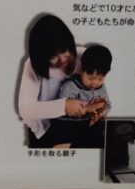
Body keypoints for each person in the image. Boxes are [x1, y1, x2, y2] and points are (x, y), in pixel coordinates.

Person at [17, 15, 87, 147]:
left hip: (79, 124)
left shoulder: (85, 56)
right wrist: (64, 106)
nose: (62, 59)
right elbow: (25, 108)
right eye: (54, 56)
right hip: (45, 128)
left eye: (63, 51)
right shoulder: (32, 65)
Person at [53, 44, 112, 148]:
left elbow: (107, 105)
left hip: (87, 126)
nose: (95, 83)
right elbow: (63, 108)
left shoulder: (101, 87)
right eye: (90, 78)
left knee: (103, 131)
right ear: (81, 70)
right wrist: (88, 108)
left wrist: (100, 114)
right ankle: (64, 145)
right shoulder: (71, 86)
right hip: (69, 125)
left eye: (100, 79)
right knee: (64, 130)